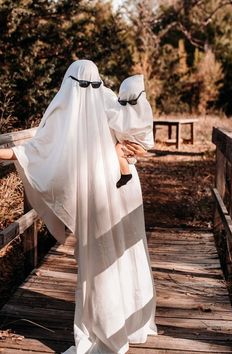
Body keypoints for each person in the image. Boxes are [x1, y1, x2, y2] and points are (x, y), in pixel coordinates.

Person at [0, 59, 157, 354]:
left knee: (99, 261)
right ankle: (130, 321)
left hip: (99, 195)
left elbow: (37, 149)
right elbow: (138, 136)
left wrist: (4, 152)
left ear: (69, 81)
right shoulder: (108, 99)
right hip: (125, 190)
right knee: (125, 253)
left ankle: (107, 330)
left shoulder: (67, 109)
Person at [112, 75, 154, 188]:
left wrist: (142, 146)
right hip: (130, 143)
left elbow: (144, 126)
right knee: (120, 149)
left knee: (119, 149)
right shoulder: (120, 106)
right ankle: (126, 172)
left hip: (134, 142)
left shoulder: (143, 109)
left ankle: (126, 173)